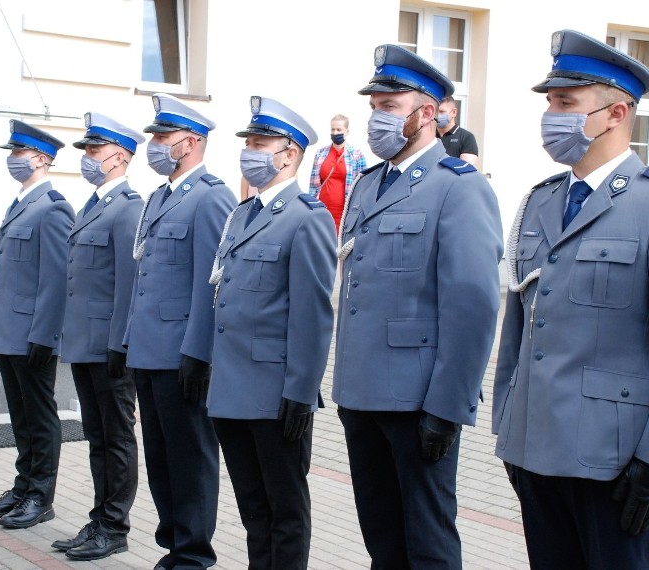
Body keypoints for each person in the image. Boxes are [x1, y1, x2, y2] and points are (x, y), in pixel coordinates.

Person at [493, 29, 649, 570]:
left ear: (616, 113)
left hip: (616, 461)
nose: (551, 116)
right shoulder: (541, 201)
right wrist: (507, 425)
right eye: (550, 104)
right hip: (537, 449)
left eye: (566, 103)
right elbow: (519, 326)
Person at [332, 45, 503, 568]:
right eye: (374, 106)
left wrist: (448, 408)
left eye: (390, 105)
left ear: (427, 114)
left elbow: (473, 306)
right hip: (361, 393)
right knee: (382, 538)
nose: (377, 116)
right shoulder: (366, 186)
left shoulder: (459, 188)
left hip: (417, 403)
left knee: (427, 543)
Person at [207, 96, 336, 569]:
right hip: (231, 390)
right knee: (252, 508)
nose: (251, 151)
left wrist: (302, 392)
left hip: (275, 395)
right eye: (249, 142)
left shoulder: (307, 217)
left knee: (285, 510)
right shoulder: (241, 215)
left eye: (261, 143)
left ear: (289, 154)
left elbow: (313, 314)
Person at [123, 93, 237, 570]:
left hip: (180, 354)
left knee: (190, 457)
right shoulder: (159, 198)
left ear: (190, 143)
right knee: (162, 457)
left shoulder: (212, 197)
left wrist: (199, 352)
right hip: (149, 349)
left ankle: (194, 553)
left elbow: (209, 285)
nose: (155, 145)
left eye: (163, 138)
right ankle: (174, 543)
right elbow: (146, 275)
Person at [53, 113, 145, 561]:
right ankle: (99, 519)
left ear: (120, 157)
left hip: (109, 347)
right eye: (87, 151)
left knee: (116, 437)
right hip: (85, 344)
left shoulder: (128, 208)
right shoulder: (93, 205)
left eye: (94, 151)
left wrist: (120, 343)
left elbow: (130, 282)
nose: (87, 158)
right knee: (97, 437)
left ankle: (115, 526)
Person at [0, 120, 75, 529]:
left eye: (18, 153)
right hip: (9, 331)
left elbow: (56, 278)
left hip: (32, 334)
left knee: (39, 415)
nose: (12, 160)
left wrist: (45, 334)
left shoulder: (53, 208)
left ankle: (40, 495)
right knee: (20, 415)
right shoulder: (21, 204)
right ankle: (23, 487)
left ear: (40, 158)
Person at [308, 114, 366, 232]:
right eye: (332, 129)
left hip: (344, 212)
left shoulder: (356, 155)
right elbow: (313, 185)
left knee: (339, 246)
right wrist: (310, 207)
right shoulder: (320, 153)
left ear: (347, 131)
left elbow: (363, 186)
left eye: (339, 130)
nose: (335, 133)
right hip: (321, 210)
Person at [435, 96, 478, 164]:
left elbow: (465, 169)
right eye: (436, 111)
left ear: (454, 112)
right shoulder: (428, 136)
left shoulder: (466, 137)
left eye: (442, 111)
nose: (438, 115)